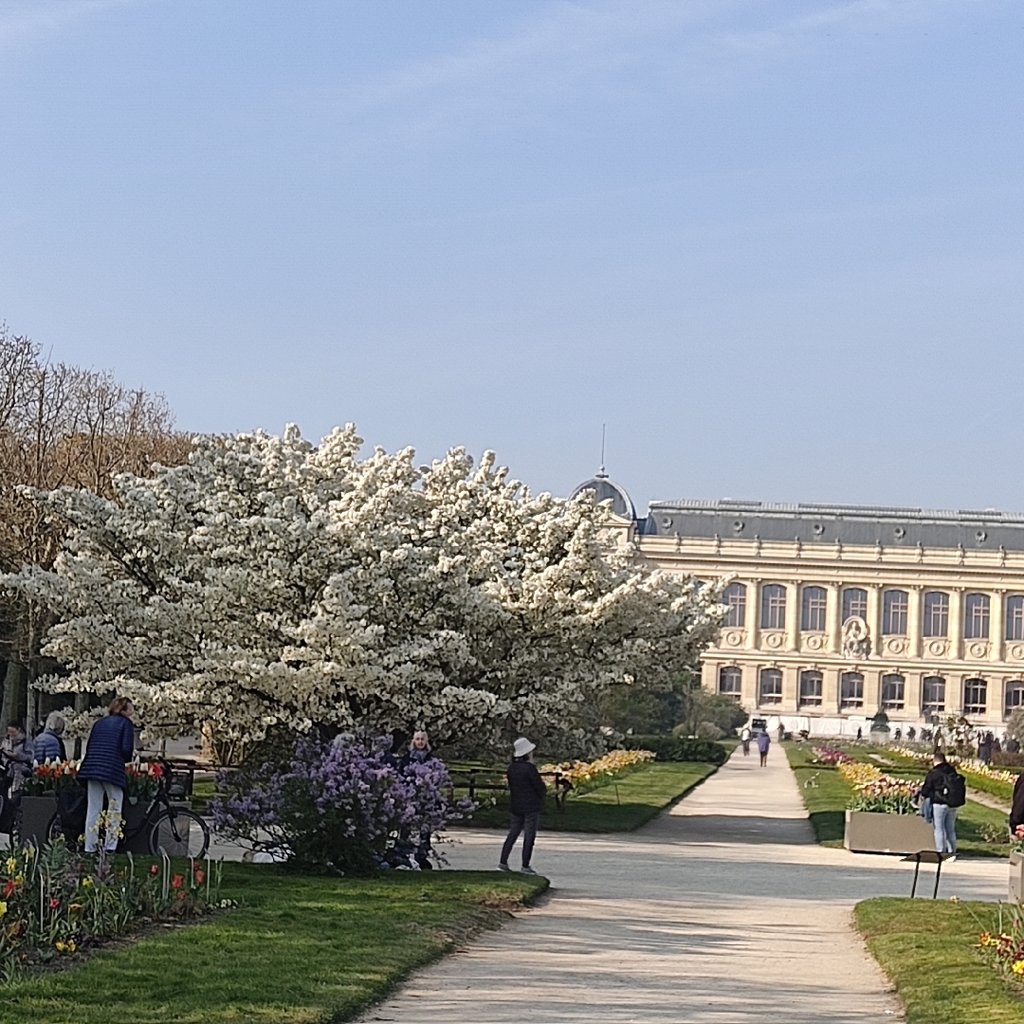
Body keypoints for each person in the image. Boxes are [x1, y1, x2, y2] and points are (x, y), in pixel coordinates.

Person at [77, 696, 136, 854]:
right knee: (115, 806)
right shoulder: (126, 724)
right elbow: (126, 749)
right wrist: (127, 759)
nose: (133, 711)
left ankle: (90, 846)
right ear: (124, 710)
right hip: (111, 768)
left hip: (92, 767)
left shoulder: (99, 723)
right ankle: (111, 845)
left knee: (93, 807)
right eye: (130, 708)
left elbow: (90, 746)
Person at [499, 737, 546, 875]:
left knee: (513, 833)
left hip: (516, 804)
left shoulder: (512, 769)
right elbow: (539, 787)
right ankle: (525, 865)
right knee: (529, 836)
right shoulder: (530, 769)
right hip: (531, 805)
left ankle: (503, 862)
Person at [399, 730, 437, 869]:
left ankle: (422, 854)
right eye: (417, 739)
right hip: (410, 795)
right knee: (407, 825)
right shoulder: (407, 758)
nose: (420, 742)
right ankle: (403, 852)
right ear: (413, 741)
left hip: (426, 797)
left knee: (424, 827)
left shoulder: (431, 759)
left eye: (422, 739)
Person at [918, 751, 959, 861]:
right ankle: (952, 853)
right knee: (950, 829)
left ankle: (941, 852)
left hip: (939, 803)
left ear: (935, 760)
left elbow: (926, 789)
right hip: (952, 803)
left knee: (939, 829)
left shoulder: (934, 773)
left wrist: (922, 796)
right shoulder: (952, 771)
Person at [1, 723, 34, 794]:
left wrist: (17, 756)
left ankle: (15, 790)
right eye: (9, 732)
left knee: (17, 768)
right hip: (9, 768)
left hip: (23, 767)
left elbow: (30, 757)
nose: (10, 734)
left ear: (18, 730)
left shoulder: (26, 742)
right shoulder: (6, 741)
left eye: (12, 732)